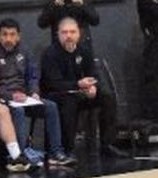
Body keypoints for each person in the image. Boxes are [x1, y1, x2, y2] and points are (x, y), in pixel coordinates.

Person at [0, 18, 73, 168]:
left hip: (25, 97)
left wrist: (34, 92)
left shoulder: (25, 51)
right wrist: (10, 96)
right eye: (4, 35)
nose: (8, 39)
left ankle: (55, 154)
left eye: (12, 35)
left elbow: (32, 77)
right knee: (17, 111)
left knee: (50, 107)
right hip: (3, 99)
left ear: (18, 36)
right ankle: (19, 156)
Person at [41, 16, 122, 158]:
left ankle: (107, 144)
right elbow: (53, 83)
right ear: (58, 34)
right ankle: (68, 149)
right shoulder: (50, 53)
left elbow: (93, 73)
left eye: (72, 32)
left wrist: (93, 87)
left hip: (78, 92)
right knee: (69, 102)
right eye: (64, 32)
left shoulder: (84, 50)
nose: (69, 36)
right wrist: (78, 85)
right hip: (56, 94)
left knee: (106, 97)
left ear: (79, 33)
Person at [37, 0, 101, 51]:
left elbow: (95, 21)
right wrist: (54, 6)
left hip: (81, 46)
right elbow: (41, 24)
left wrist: (82, 5)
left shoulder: (83, 1)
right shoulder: (53, 4)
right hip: (60, 48)